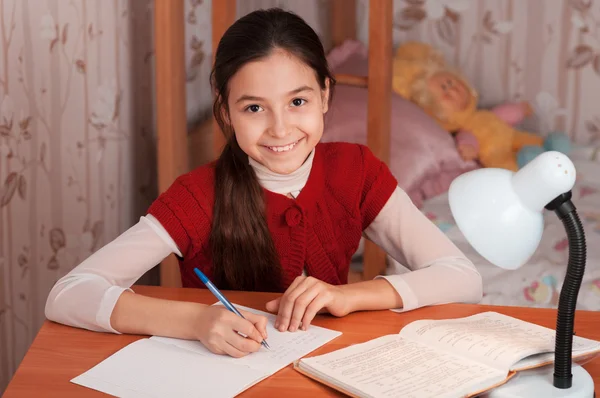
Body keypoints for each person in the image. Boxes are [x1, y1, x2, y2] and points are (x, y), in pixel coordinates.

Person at [45, 8, 482, 359]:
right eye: (254, 108)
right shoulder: (197, 195)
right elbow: (69, 294)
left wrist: (350, 295)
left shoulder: (357, 172)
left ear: (326, 95)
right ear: (227, 110)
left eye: (297, 101)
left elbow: (462, 278)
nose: (280, 128)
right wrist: (195, 322)